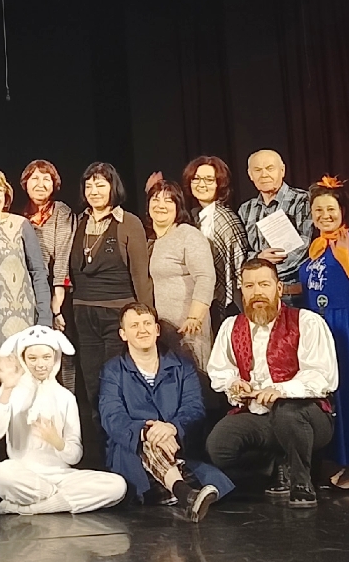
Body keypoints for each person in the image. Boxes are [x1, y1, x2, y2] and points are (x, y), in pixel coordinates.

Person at [206, 259, 338, 508]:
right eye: (249, 286)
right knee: (219, 446)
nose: (257, 292)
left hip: (308, 417)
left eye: (264, 284)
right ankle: (276, 462)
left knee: (287, 413)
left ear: (278, 288)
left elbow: (322, 377)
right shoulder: (231, 326)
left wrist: (280, 390)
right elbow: (219, 370)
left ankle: (301, 482)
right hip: (258, 415)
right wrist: (235, 384)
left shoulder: (307, 322)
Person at [98, 303, 231, 521]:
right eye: (134, 325)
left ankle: (173, 490)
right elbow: (112, 416)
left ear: (157, 329)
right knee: (149, 444)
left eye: (147, 324)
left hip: (177, 448)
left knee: (208, 477)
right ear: (123, 334)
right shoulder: (112, 371)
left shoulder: (183, 367)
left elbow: (194, 408)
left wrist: (171, 428)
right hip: (133, 451)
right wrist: (147, 432)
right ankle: (184, 493)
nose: (142, 330)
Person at [0, 326, 127, 515]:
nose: (40, 364)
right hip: (24, 476)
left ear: (56, 357)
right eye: (33, 358)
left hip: (62, 477)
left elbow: (74, 456)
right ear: (23, 359)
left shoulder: (66, 397)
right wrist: (6, 390)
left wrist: (57, 441)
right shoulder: (12, 390)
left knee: (117, 486)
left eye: (46, 357)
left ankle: (32, 508)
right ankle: (55, 499)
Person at [298, 176, 349, 490]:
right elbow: (311, 286)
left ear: (342, 210)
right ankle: (340, 459)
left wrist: (346, 259)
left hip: (348, 325)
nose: (325, 215)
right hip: (321, 326)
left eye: (330, 209)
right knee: (330, 394)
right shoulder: (315, 247)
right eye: (318, 210)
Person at [69, 162, 153, 414]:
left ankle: (123, 434)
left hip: (117, 313)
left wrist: (146, 318)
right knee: (92, 383)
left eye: (100, 185)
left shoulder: (129, 223)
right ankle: (101, 435)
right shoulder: (78, 222)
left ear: (112, 187)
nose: (94, 191)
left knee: (116, 381)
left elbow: (141, 275)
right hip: (83, 313)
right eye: (89, 185)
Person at [0, 166, 52, 381]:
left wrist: (44, 321)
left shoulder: (20, 224)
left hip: (22, 321)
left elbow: (38, 273)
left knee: (24, 383)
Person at [145, 179, 216, 369]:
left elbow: (205, 277)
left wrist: (194, 317)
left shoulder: (188, 235)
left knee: (193, 379)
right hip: (160, 331)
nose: (160, 205)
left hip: (187, 328)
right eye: (155, 199)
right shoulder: (150, 241)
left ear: (178, 206)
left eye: (168, 200)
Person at [182, 155, 249, 329]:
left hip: (227, 303)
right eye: (196, 179)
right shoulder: (195, 215)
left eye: (209, 179)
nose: (201, 184)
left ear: (220, 184)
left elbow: (237, 266)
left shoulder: (225, 219)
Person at [238, 150, 312, 305]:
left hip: (295, 293)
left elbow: (305, 245)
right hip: (259, 294)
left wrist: (267, 269)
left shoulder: (302, 200)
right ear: (250, 175)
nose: (264, 174)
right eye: (257, 170)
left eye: (270, 168)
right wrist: (259, 258)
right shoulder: (246, 209)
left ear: (282, 170)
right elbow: (242, 252)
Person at [20, 160, 75, 337]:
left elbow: (63, 255)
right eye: (35, 178)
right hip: (26, 291)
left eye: (46, 179)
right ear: (26, 183)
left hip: (56, 291)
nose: (40, 184)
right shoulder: (19, 215)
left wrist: (56, 302)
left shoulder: (61, 212)